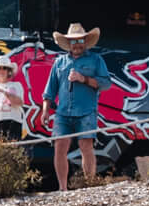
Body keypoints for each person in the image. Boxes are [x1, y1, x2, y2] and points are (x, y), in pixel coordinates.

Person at [47, 23, 111, 188]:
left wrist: (84, 79)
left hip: (87, 111)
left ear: (85, 41)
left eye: (80, 40)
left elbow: (106, 83)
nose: (77, 44)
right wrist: (45, 110)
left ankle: (89, 185)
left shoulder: (96, 59)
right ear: (68, 43)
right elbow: (50, 89)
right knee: (60, 147)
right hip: (62, 112)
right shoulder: (59, 62)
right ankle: (62, 188)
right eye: (73, 41)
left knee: (86, 146)